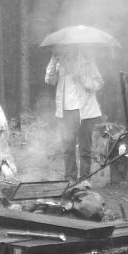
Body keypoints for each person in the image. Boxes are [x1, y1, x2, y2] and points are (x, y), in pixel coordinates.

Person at [45, 45, 104, 183]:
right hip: (66, 112)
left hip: (85, 112)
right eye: (64, 50)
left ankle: (85, 180)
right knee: (68, 148)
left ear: (75, 49)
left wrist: (82, 78)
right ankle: (70, 179)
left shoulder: (88, 63)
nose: (66, 53)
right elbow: (49, 80)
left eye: (69, 50)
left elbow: (99, 83)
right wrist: (53, 61)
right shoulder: (59, 64)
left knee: (85, 148)